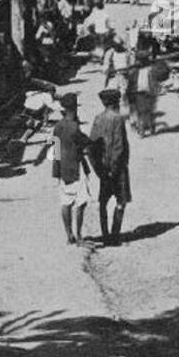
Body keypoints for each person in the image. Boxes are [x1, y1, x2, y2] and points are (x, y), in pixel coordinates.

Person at [90, 88, 132, 246]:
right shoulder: (118, 119)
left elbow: (92, 146)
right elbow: (119, 146)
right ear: (116, 102)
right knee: (121, 201)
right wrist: (115, 168)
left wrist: (99, 170)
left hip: (103, 169)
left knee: (103, 202)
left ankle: (105, 234)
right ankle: (115, 235)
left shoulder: (98, 118)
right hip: (118, 168)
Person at [50, 92, 92, 245]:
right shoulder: (74, 127)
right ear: (74, 107)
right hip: (75, 167)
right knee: (81, 202)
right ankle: (79, 236)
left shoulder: (57, 126)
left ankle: (69, 235)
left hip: (62, 168)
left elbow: (55, 148)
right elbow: (85, 143)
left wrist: (56, 170)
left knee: (66, 202)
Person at [133, 53, 159, 137]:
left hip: (148, 93)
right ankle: (142, 130)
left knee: (149, 111)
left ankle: (151, 128)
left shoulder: (149, 70)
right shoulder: (136, 71)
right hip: (139, 93)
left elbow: (153, 82)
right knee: (141, 112)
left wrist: (154, 91)